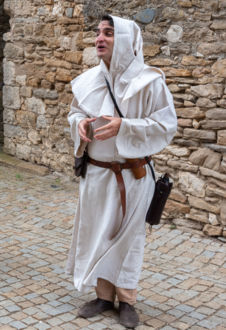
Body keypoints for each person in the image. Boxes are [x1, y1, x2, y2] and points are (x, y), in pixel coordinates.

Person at [66, 15, 177, 328]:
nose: (100, 38)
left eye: (109, 33)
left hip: (133, 175)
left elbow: (166, 126)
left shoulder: (150, 82)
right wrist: (81, 125)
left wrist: (124, 127)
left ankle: (127, 300)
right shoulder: (88, 80)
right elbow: (74, 114)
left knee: (128, 239)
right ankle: (103, 295)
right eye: (99, 32)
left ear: (127, 40)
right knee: (98, 232)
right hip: (96, 175)